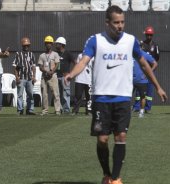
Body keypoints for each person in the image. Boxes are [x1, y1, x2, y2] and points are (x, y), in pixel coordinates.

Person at [64, 5, 167, 184]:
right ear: (107, 23)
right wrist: (72, 74)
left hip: (122, 98)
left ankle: (116, 178)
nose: (120, 26)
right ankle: (107, 174)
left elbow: (144, 64)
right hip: (101, 98)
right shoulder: (95, 41)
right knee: (102, 139)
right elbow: (84, 61)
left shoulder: (130, 41)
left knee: (121, 137)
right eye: (116, 22)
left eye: (122, 22)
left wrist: (157, 86)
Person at [134, 26, 160, 113]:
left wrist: (150, 71)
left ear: (152, 35)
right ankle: (137, 107)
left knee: (149, 90)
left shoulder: (155, 46)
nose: (149, 37)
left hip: (150, 71)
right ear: (145, 35)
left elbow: (156, 59)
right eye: (147, 35)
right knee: (139, 91)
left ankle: (147, 108)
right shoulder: (141, 44)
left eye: (150, 35)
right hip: (142, 71)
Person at [12, 37, 36, 115]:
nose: (26, 47)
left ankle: (30, 110)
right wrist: (17, 77)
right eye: (25, 45)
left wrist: (34, 76)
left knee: (30, 94)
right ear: (22, 45)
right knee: (20, 94)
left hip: (29, 78)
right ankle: (20, 110)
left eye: (27, 45)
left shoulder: (31, 54)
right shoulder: (18, 54)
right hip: (21, 77)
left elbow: (33, 66)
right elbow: (15, 66)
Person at [38, 35, 61, 116]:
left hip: (53, 75)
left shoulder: (55, 54)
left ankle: (57, 110)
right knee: (44, 94)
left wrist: (51, 71)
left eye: (50, 43)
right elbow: (40, 66)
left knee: (55, 93)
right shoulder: (42, 55)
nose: (48, 44)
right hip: (44, 76)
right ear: (45, 44)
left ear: (52, 44)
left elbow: (57, 64)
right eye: (47, 43)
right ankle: (45, 110)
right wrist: (45, 71)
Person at [133, 51, 157, 118]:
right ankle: (126, 112)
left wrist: (148, 73)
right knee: (126, 97)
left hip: (142, 81)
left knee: (142, 97)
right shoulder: (129, 53)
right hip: (130, 80)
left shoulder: (144, 54)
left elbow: (155, 63)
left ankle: (141, 112)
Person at [55, 37, 74, 114]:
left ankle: (66, 109)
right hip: (56, 76)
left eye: (57, 44)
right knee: (58, 94)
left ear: (62, 45)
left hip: (65, 77)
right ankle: (60, 109)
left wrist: (70, 74)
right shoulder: (55, 54)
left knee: (66, 93)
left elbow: (75, 62)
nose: (56, 45)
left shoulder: (68, 53)